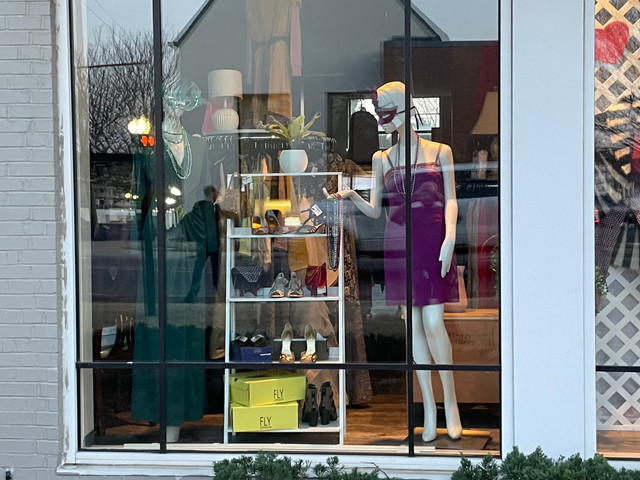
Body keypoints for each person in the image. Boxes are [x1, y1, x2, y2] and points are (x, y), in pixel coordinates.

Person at [326, 81, 462, 442]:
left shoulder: (440, 152)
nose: (381, 121)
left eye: (385, 112)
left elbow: (451, 199)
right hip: (399, 243)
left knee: (433, 321)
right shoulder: (381, 159)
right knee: (413, 327)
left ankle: (451, 403)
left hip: (434, 240)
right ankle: (429, 409)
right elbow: (376, 210)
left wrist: (451, 237)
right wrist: (352, 195)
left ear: (403, 109)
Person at [184, 185, 221, 303]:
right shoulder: (210, 208)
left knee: (199, 269)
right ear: (211, 194)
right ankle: (217, 294)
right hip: (210, 244)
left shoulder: (201, 207)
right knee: (214, 270)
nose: (218, 195)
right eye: (216, 193)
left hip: (203, 243)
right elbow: (211, 229)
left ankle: (193, 294)